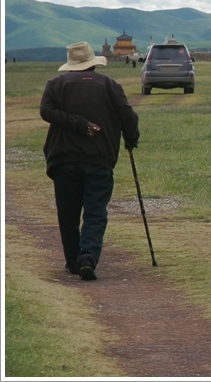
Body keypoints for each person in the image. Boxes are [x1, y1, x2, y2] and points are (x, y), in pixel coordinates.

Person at [39, 41, 140, 281]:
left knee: (68, 212)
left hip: (63, 158)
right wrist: (130, 139)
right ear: (94, 63)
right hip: (99, 157)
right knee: (95, 211)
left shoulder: (55, 84)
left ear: (72, 64)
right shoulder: (109, 85)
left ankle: (73, 262)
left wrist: (74, 123)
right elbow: (128, 116)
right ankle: (88, 257)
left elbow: (46, 111)